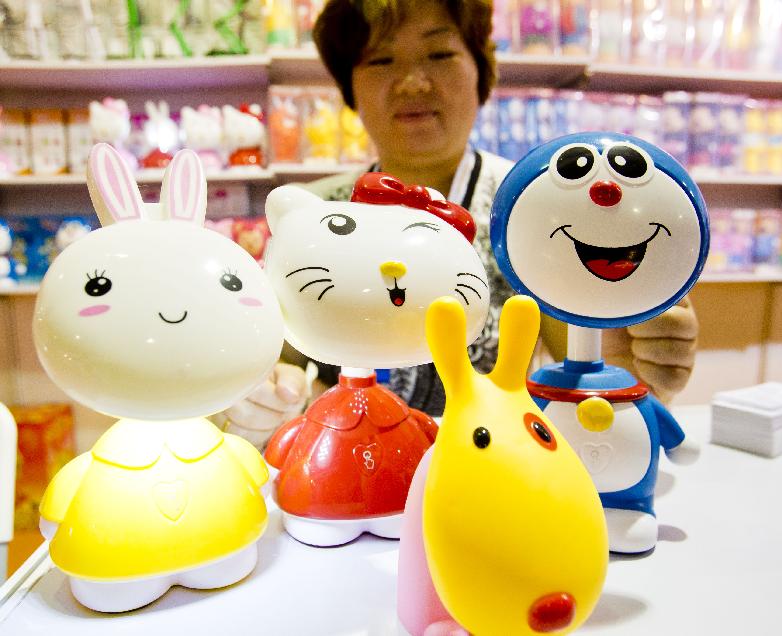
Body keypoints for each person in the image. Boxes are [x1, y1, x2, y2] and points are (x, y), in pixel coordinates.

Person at [219, 0, 699, 443]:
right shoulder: (312, 213)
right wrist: (255, 398)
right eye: (381, 61)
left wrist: (627, 364)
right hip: (351, 466)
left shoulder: (539, 212)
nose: (412, 82)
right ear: (350, 87)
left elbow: (582, 348)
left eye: (440, 54)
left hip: (494, 464)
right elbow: (274, 364)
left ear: (481, 71)